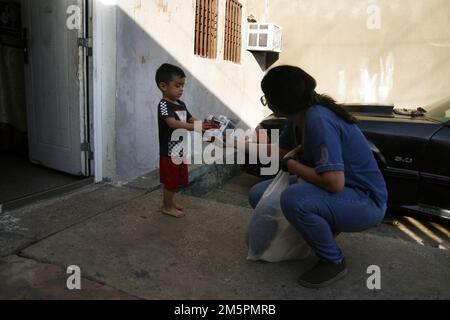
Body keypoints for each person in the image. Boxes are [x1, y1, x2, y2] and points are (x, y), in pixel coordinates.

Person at [248, 65, 388, 288]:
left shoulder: (318, 119)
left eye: (266, 97)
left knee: (294, 199)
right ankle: (305, 238)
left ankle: (333, 260)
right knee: (259, 194)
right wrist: (235, 144)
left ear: (277, 102)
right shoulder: (298, 117)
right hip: (342, 193)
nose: (266, 102)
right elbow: (282, 152)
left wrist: (291, 164)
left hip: (365, 202)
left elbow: (333, 183)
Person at [155, 63, 211, 218]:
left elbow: (190, 118)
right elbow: (172, 123)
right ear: (163, 86)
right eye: (177, 85)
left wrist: (203, 124)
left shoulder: (181, 104)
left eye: (182, 86)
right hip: (169, 151)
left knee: (178, 179)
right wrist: (195, 128)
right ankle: (167, 206)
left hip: (180, 149)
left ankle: (170, 202)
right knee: (170, 181)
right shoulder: (164, 105)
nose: (181, 89)